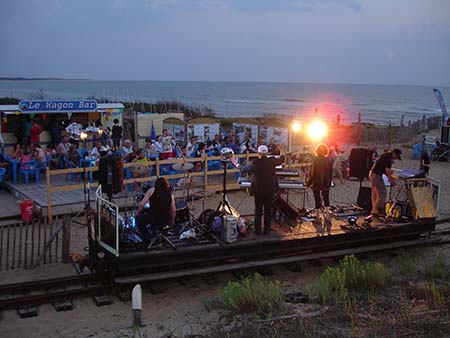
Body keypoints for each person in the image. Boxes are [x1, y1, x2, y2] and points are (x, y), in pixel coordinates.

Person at [232, 144, 285, 235]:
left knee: (258, 210)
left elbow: (243, 169)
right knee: (268, 210)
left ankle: (257, 231)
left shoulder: (255, 162)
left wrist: (236, 164)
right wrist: (283, 151)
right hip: (270, 189)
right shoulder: (272, 161)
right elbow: (282, 159)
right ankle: (267, 231)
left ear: (258, 153)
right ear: (267, 153)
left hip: (258, 190)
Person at [136, 177, 176, 246]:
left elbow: (142, 204)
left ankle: (147, 240)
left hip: (154, 219)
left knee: (138, 218)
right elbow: (173, 210)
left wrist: (138, 212)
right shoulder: (170, 193)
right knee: (162, 221)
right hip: (166, 220)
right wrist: (172, 221)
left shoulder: (152, 190)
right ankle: (162, 236)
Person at [369, 148, 402, 216]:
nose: (395, 159)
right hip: (376, 175)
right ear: (394, 154)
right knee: (382, 194)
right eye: (396, 157)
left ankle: (374, 209)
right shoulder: (388, 159)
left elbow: (382, 168)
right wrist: (395, 185)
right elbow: (388, 173)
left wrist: (389, 175)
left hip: (372, 173)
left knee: (375, 194)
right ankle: (375, 210)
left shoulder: (385, 155)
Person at [307, 144, 333, 226]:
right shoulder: (329, 159)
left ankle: (318, 218)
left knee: (317, 199)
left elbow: (313, 173)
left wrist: (308, 183)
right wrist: (329, 181)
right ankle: (328, 217)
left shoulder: (315, 160)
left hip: (317, 182)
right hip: (326, 181)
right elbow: (331, 172)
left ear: (317, 151)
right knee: (326, 198)